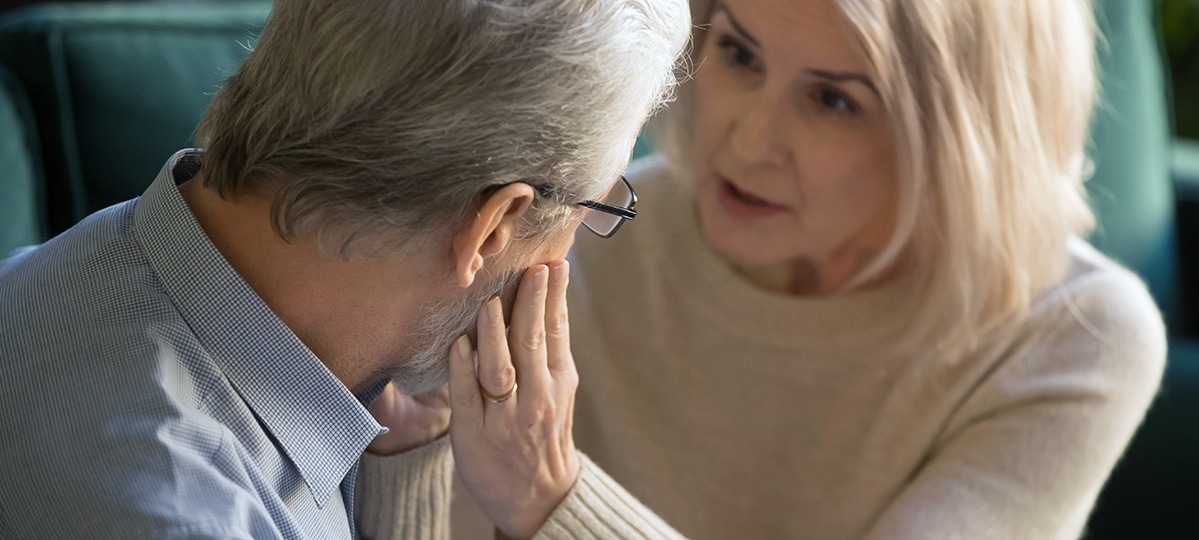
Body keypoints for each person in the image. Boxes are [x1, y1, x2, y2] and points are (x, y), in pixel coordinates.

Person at [454, 0, 1168, 537]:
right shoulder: (582, 234)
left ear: (963, 135)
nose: (749, 141)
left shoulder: (1076, 334)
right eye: (740, 54)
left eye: (833, 99)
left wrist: (553, 501)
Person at [0, 0, 692, 538]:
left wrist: (406, 460)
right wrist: (549, 492)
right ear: (493, 226)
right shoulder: (199, 514)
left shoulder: (57, 280)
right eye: (596, 203)